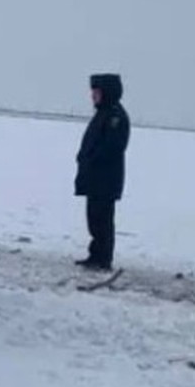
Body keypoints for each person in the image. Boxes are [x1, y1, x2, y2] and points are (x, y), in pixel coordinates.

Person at [75, 72, 130, 270]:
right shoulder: (103, 114)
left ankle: (103, 259)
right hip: (95, 178)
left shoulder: (115, 116)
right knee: (94, 219)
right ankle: (95, 255)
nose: (93, 96)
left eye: (96, 92)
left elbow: (112, 147)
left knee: (102, 221)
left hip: (105, 179)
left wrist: (92, 159)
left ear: (106, 92)